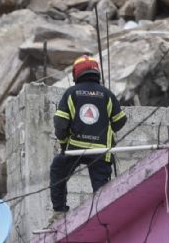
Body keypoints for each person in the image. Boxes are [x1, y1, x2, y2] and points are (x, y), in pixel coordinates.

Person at [49, 56, 127, 220]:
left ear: (76, 73)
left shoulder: (71, 93)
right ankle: (104, 217)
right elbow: (120, 121)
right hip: (101, 151)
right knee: (101, 192)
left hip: (75, 150)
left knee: (58, 170)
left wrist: (64, 145)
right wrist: (106, 127)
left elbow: (60, 123)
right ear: (96, 72)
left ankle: (59, 212)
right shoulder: (107, 94)